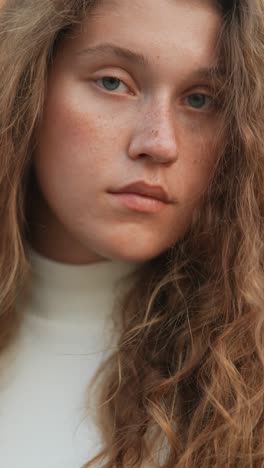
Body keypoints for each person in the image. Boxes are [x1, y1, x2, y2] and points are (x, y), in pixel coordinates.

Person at [0, 0, 263, 466]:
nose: (160, 143)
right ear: (25, 85)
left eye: (200, 98)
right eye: (113, 82)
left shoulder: (248, 376)